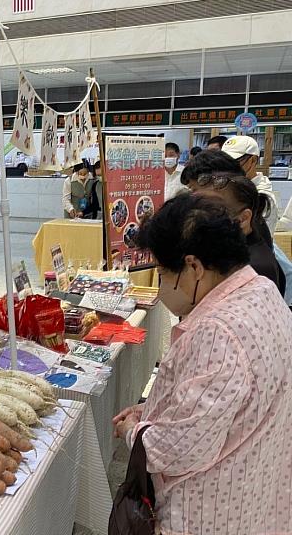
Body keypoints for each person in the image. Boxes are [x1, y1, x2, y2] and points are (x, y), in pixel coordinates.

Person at [112, 194, 292, 535]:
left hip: (209, 510)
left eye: (164, 273)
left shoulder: (218, 333)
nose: (162, 285)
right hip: (257, 490)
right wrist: (150, 411)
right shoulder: (262, 290)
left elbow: (176, 449)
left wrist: (133, 432)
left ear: (194, 267)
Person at [194, 173, 285, 296]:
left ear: (243, 218)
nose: (201, 218)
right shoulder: (228, 251)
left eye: (213, 211)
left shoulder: (254, 269)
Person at [222, 134, 279, 231]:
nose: (228, 167)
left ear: (253, 160)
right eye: (224, 162)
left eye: (235, 162)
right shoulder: (230, 184)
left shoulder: (263, 196)